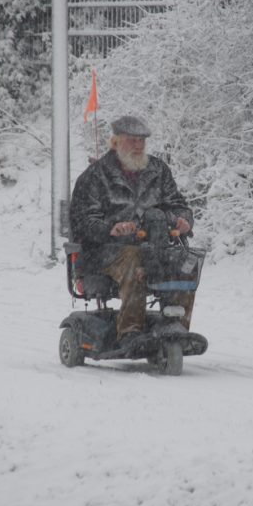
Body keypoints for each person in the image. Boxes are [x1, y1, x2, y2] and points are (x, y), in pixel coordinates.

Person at [69, 115, 195, 346]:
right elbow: (82, 221)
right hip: (103, 252)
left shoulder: (158, 170)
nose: (138, 145)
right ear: (115, 142)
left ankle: (177, 327)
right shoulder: (95, 176)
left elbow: (177, 204)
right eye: (132, 140)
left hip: (155, 245)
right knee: (135, 259)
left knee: (186, 262)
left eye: (142, 141)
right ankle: (130, 333)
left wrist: (183, 219)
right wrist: (111, 228)